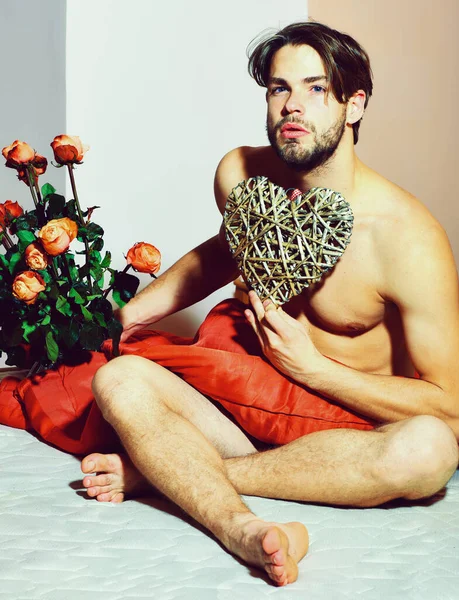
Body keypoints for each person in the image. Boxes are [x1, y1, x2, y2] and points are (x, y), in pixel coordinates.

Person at [80, 21, 459, 586]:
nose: (292, 106)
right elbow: (222, 253)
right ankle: (240, 528)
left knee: (429, 451)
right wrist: (128, 314)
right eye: (280, 88)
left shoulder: (407, 238)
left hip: (343, 444)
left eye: (315, 89)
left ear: (354, 106)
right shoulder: (241, 174)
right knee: (119, 380)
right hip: (242, 412)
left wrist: (314, 369)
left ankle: (166, 473)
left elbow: (448, 405)